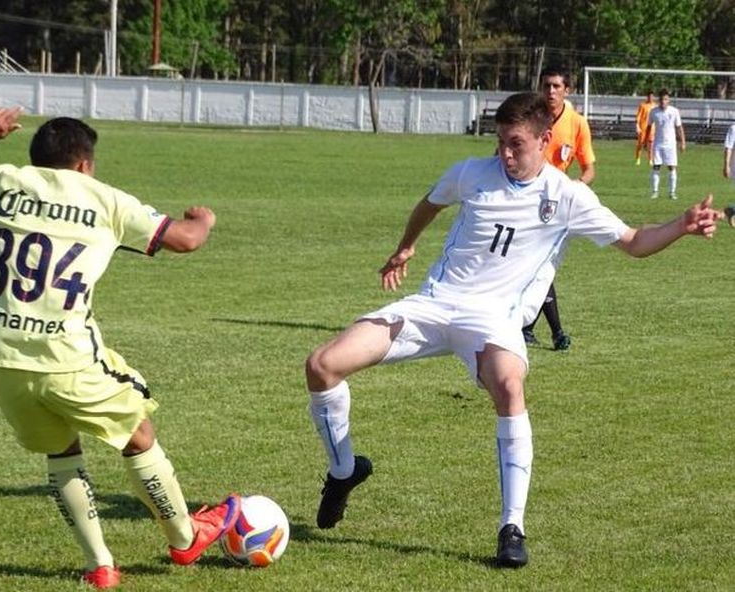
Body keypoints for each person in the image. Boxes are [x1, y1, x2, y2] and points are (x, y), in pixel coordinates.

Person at [304, 92, 719, 569]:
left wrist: (681, 225)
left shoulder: (567, 197)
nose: (504, 154)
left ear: (545, 140)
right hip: (433, 304)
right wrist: (405, 248)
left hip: (493, 320)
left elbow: (634, 241)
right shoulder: (471, 173)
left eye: (515, 144)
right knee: (322, 365)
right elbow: (430, 203)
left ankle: (511, 527)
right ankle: (344, 471)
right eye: (499, 142)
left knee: (507, 383)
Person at [0, 109, 240, 589]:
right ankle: (186, 538)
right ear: (84, 165)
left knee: (62, 450)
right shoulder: (104, 200)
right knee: (138, 433)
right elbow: (185, 241)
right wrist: (202, 221)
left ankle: (100, 565)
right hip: (64, 353)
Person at [521, 67, 596, 351]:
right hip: (525, 200)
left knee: (542, 265)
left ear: (568, 90)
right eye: (546, 86)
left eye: (555, 86)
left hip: (555, 205)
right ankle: (546, 331)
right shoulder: (530, 117)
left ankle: (542, 330)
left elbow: (589, 169)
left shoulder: (577, 123)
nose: (550, 92)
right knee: (537, 265)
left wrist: (575, 187)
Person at [648, 89, 686, 200]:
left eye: (666, 99)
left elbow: (679, 128)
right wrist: (646, 141)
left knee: (671, 167)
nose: (664, 101)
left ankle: (672, 192)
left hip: (670, 144)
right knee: (656, 167)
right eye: (662, 99)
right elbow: (649, 127)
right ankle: (655, 191)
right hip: (658, 144)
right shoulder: (654, 112)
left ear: (669, 100)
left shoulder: (674, 112)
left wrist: (682, 142)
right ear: (658, 100)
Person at [635, 91, 656, 166]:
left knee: (651, 144)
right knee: (640, 144)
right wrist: (637, 126)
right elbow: (638, 116)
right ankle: (638, 159)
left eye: (652, 96)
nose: (651, 98)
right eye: (649, 96)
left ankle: (650, 160)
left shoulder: (655, 106)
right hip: (643, 128)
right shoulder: (643, 105)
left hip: (652, 129)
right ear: (647, 97)